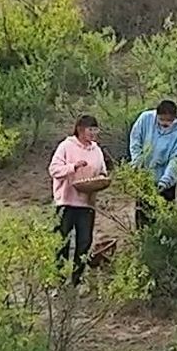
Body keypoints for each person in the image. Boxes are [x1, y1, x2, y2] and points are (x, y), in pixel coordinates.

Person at [49, 115, 106, 286]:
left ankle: (77, 279)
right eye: (91, 129)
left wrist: (101, 180)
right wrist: (73, 167)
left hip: (87, 203)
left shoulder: (96, 150)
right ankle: (57, 279)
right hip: (66, 202)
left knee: (84, 242)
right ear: (80, 130)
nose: (93, 133)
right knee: (62, 242)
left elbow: (102, 171)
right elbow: (54, 169)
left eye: (96, 130)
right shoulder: (66, 146)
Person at [129, 99, 177, 229]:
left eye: (168, 121)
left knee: (164, 216)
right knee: (143, 215)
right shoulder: (145, 119)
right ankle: (143, 240)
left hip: (166, 177)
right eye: (162, 120)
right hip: (145, 175)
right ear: (156, 115)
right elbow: (135, 140)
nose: (164, 123)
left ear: (174, 118)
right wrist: (137, 161)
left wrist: (166, 181)